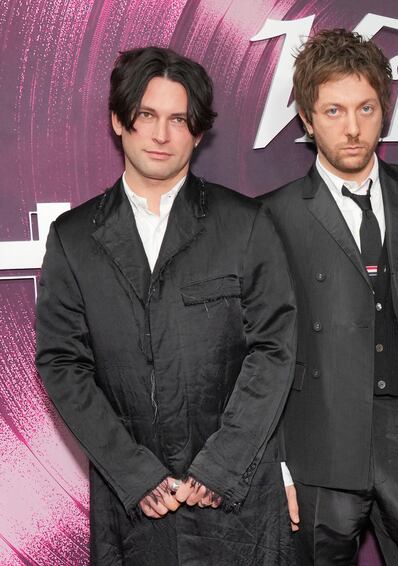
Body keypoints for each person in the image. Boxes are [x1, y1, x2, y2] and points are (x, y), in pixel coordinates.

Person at [35, 47, 297, 565]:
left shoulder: (245, 224)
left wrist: (219, 467)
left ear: (198, 132)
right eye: (147, 116)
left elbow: (274, 347)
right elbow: (62, 362)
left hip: (235, 495)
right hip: (136, 504)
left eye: (179, 119)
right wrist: (134, 472)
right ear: (119, 120)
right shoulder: (74, 238)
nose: (161, 135)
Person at [262, 28, 398, 565]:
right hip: (318, 442)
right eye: (332, 112)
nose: (352, 129)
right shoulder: (272, 214)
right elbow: (262, 345)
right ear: (306, 119)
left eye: (365, 108)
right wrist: (279, 464)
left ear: (385, 110)